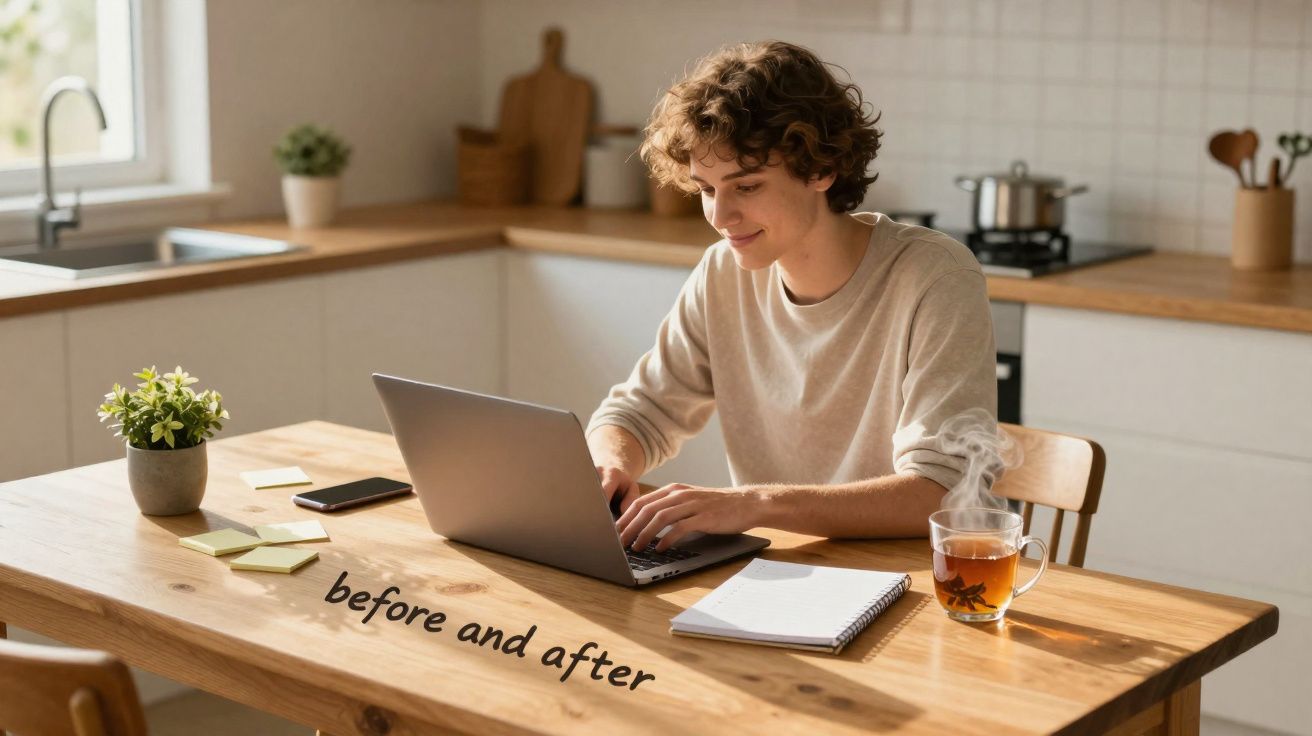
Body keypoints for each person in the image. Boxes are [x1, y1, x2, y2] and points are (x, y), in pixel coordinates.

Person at [586, 40, 997, 554]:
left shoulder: (934, 277)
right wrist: (611, 465)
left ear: (821, 169)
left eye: (748, 186)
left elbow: (940, 495)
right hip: (778, 575)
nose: (720, 217)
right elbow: (637, 414)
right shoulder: (723, 273)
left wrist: (753, 503)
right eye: (708, 189)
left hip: (912, 583)